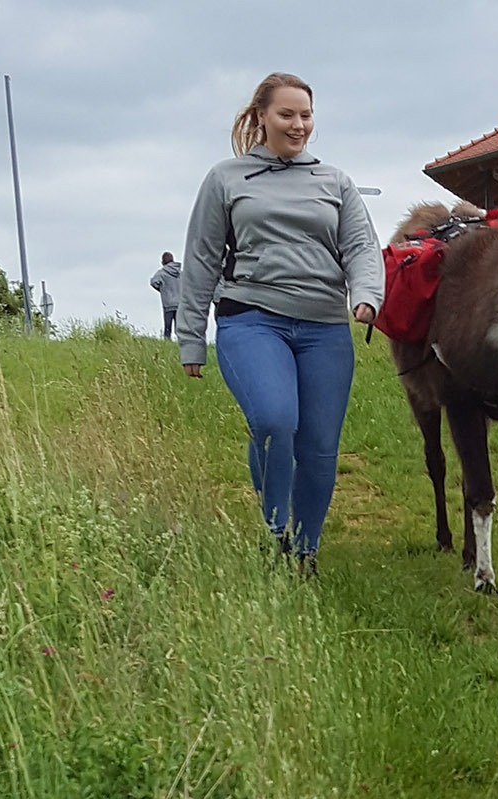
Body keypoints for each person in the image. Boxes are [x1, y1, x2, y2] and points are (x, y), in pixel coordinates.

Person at [174, 72, 382, 575]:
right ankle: (275, 532)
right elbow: (201, 259)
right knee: (273, 420)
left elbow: (361, 246)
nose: (298, 125)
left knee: (319, 448)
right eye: (286, 114)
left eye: (306, 115)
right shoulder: (226, 178)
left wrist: (366, 295)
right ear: (261, 116)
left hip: (323, 327)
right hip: (252, 319)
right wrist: (191, 339)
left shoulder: (335, 182)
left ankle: (304, 553)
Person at [149, 252, 183, 339]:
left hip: (168, 303)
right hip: (180, 303)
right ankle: (181, 343)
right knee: (180, 328)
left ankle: (167, 342)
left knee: (168, 328)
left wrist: (162, 289)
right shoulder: (180, 272)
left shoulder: (162, 273)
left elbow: (153, 282)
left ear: (163, 262)